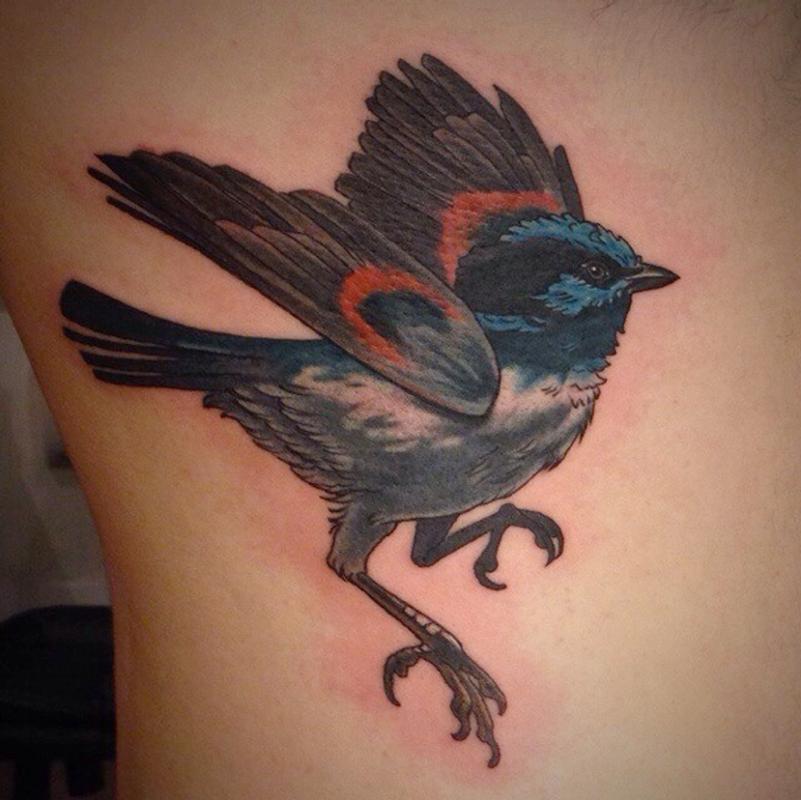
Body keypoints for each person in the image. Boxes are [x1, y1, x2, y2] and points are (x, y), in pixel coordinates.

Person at [1, 3, 799, 797]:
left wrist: (482, 517)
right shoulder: (472, 367)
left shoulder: (544, 386)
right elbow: (316, 263)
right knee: (355, 555)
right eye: (596, 277)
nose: (629, 285)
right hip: (322, 423)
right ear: (547, 292)